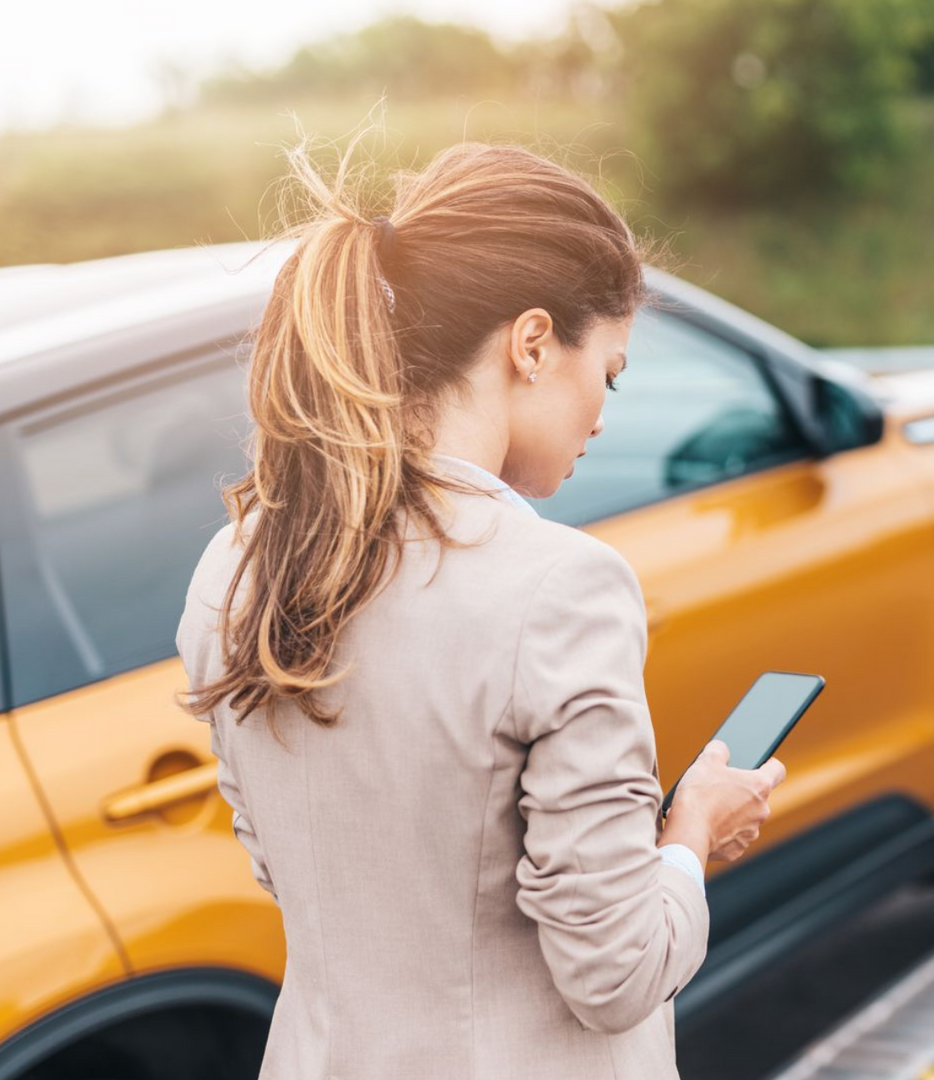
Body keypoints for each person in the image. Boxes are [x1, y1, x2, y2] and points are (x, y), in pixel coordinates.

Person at [176, 136, 784, 1079]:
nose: (603, 414)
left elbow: (296, 870)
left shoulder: (234, 565)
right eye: (610, 374)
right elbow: (618, 974)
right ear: (533, 342)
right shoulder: (561, 588)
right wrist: (689, 834)